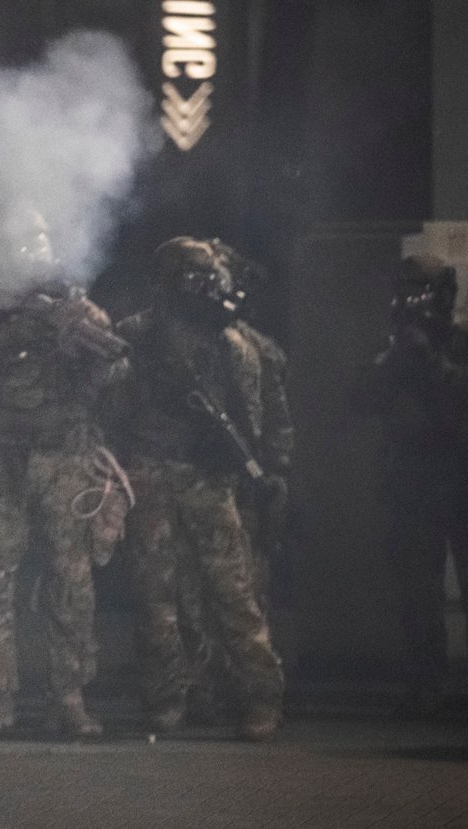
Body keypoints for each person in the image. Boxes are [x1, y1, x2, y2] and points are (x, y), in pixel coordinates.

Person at [0, 276, 132, 738]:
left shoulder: (82, 313)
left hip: (62, 455)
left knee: (72, 578)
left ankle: (68, 696)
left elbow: (112, 381)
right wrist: (15, 333)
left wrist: (82, 351)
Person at [114, 236, 284, 741]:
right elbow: (113, 406)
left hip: (208, 481)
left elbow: (248, 424)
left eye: (208, 278)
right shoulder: (137, 336)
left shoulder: (228, 343)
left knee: (234, 594)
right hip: (149, 473)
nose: (206, 289)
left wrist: (253, 476)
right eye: (194, 278)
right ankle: (167, 698)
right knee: (156, 598)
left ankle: (261, 698)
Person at [176, 240, 294, 723]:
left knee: (242, 592)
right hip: (205, 477)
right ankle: (204, 687)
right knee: (192, 593)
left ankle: (254, 690)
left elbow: (274, 418)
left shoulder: (252, 348)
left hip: (246, 482)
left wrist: (275, 474)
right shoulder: (188, 342)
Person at [351, 254, 468, 714]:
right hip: (414, 483)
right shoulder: (393, 347)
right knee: (418, 591)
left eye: (420, 292)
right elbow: (360, 399)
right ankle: (427, 681)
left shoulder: (459, 345)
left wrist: (429, 359)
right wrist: (399, 355)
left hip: (459, 477)